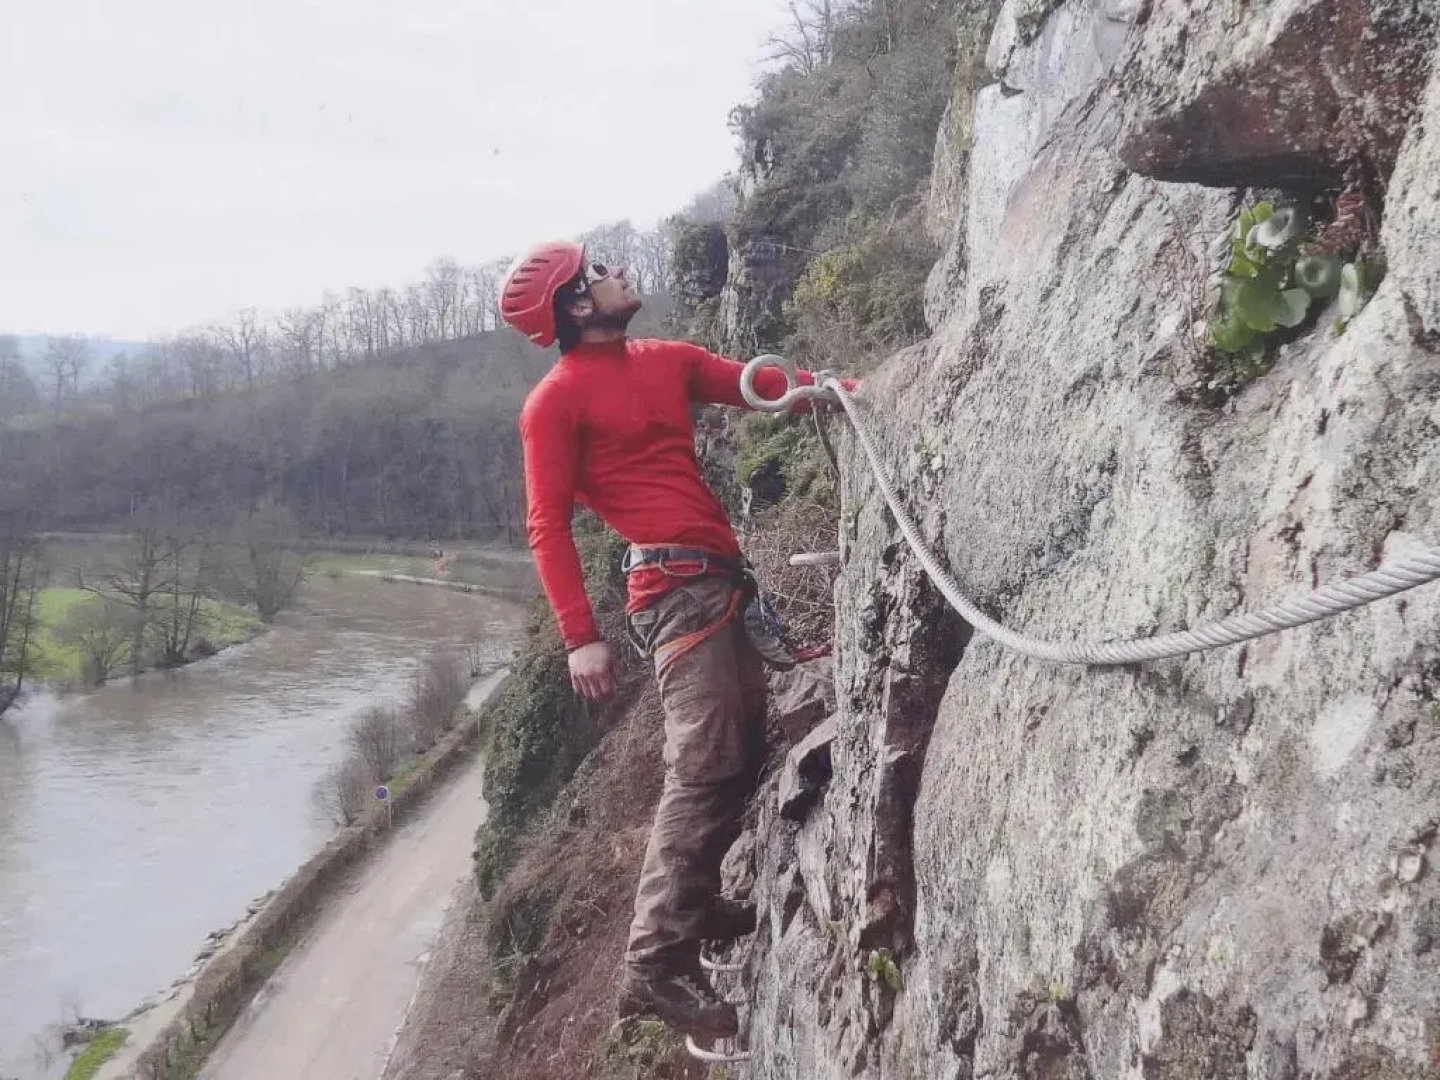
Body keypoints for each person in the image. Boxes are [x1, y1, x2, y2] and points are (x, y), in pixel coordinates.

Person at [500, 240, 853, 1040]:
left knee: (743, 743)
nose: (618, 272)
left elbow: (763, 390)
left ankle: (694, 909)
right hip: (669, 592)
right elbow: (546, 525)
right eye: (598, 273)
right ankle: (653, 964)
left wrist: (852, 392)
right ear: (578, 307)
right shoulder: (554, 403)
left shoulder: (666, 359)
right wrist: (578, 637)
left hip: (716, 578)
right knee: (701, 766)